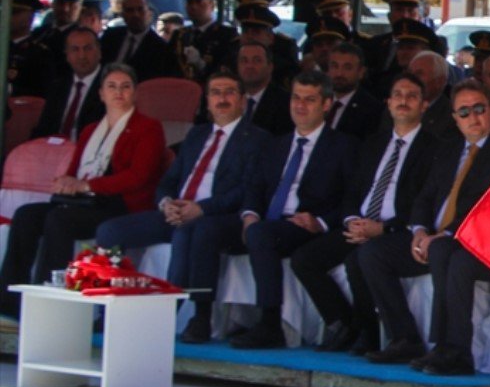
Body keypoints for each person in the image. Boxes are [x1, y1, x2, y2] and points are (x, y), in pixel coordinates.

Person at [92, 70, 268, 342]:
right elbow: (169, 180)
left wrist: (202, 208)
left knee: (192, 232)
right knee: (109, 232)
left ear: (243, 100)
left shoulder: (257, 139)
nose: (222, 99)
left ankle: (194, 316)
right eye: (215, 93)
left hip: (218, 216)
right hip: (176, 212)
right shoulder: (197, 134)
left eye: (229, 92)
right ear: (206, 101)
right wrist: (165, 203)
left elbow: (247, 189)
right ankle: (109, 307)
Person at [371, 80, 490, 373]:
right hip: (438, 238)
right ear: (454, 118)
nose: (472, 118)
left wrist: (445, 234)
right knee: (373, 255)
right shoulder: (449, 146)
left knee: (444, 251)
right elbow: (426, 195)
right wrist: (419, 230)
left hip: (486, 242)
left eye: (479, 109)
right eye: (463, 112)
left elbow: (488, 205)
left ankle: (454, 350)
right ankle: (404, 338)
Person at [292, 72, 443, 356]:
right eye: (398, 95)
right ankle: (342, 324)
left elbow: (425, 204)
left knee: (360, 259)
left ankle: (374, 335)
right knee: (305, 259)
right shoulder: (373, 143)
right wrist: (352, 221)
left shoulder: (433, 148)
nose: (403, 101)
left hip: (399, 231)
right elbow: (352, 190)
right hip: (359, 226)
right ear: (387, 103)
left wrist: (382, 229)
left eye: (411, 96)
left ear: (424, 105)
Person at [0, 65, 167, 312]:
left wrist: (88, 185)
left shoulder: (148, 128)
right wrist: (66, 182)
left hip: (122, 203)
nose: (118, 92)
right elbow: (74, 170)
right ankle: (8, 302)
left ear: (135, 92)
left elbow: (137, 177)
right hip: (86, 200)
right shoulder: (91, 130)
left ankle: (50, 300)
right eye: (112, 86)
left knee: (60, 220)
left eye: (125, 86)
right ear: (101, 93)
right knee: (26, 214)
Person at [231, 71, 360, 350]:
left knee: (261, 235)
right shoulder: (276, 144)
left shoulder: (343, 147)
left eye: (310, 100)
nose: (300, 106)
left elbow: (353, 197)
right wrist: (249, 214)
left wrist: (322, 222)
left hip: (307, 225)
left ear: (326, 105)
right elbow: (255, 186)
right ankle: (201, 316)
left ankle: (269, 323)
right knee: (211, 230)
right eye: (296, 98)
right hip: (269, 221)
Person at [30, 26, 106, 139]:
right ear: (67, 55)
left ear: (99, 51)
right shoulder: (58, 87)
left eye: (88, 48)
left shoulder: (110, 86)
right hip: (54, 150)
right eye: (75, 49)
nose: (82, 56)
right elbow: (43, 129)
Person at [98, 0, 176, 83]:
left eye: (140, 9)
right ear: (123, 14)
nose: (136, 14)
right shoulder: (111, 36)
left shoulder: (161, 48)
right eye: (130, 10)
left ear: (149, 13)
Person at [174, 0, 236, 81]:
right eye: (190, 2)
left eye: (199, 2)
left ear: (211, 5)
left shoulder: (226, 35)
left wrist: (201, 64)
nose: (193, 6)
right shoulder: (179, 35)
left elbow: (228, 70)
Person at [323, 42, 384, 140]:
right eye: (334, 66)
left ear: (361, 72)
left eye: (347, 68)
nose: (339, 74)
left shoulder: (372, 110)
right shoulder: (318, 101)